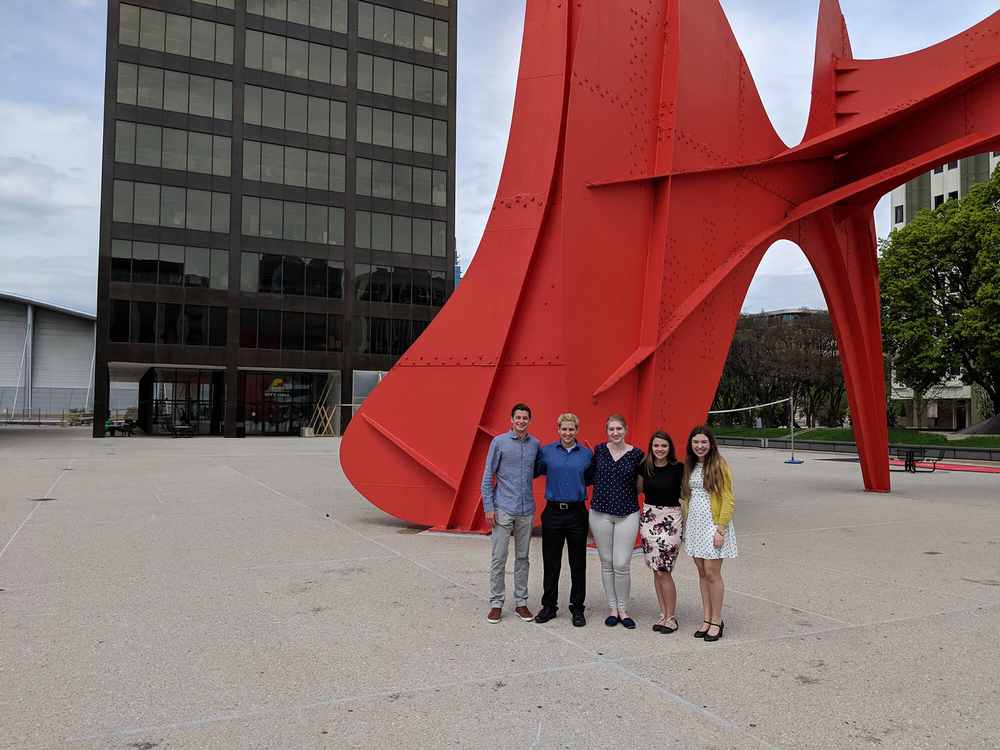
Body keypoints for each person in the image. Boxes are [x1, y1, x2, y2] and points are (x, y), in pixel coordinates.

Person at [481, 403, 541, 624]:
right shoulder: (499, 442)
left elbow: (535, 471)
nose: (521, 421)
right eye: (518, 417)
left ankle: (521, 602)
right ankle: (496, 603)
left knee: (523, 558)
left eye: (525, 417)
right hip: (503, 509)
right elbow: (488, 476)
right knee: (499, 558)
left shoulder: (535, 444)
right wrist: (489, 507)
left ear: (529, 420)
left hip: (526, 510)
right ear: (511, 419)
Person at [533, 413, 593, 627]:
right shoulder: (547, 452)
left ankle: (577, 608)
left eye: (572, 429)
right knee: (551, 562)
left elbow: (589, 479)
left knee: (578, 563)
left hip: (577, 513)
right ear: (557, 429)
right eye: (564, 429)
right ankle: (549, 606)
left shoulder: (586, 455)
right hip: (553, 512)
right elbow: (533, 471)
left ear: (577, 430)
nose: (568, 433)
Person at [682, 425, 737, 642]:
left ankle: (717, 620)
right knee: (702, 573)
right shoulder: (690, 465)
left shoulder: (719, 464)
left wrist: (721, 528)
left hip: (713, 525)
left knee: (713, 574)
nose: (700, 446)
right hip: (695, 525)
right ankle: (706, 618)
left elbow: (728, 498)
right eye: (696, 442)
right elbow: (687, 496)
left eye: (704, 442)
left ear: (711, 444)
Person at [588, 414, 644, 629]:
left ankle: (623, 608)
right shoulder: (599, 451)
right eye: (611, 429)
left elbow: (640, 484)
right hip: (600, 512)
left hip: (627, 512)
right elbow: (590, 475)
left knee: (621, 563)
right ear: (606, 431)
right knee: (607, 561)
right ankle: (612, 608)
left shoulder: (637, 455)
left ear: (626, 429)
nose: (615, 433)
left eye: (619, 428)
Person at [637, 430, 685, 634]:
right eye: (656, 445)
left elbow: (688, 493)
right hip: (649, 519)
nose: (660, 449)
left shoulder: (678, 468)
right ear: (651, 447)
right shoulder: (644, 466)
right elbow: (637, 489)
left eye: (664, 446)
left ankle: (671, 617)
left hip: (670, 521)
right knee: (656, 570)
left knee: (664, 570)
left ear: (669, 448)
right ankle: (662, 613)